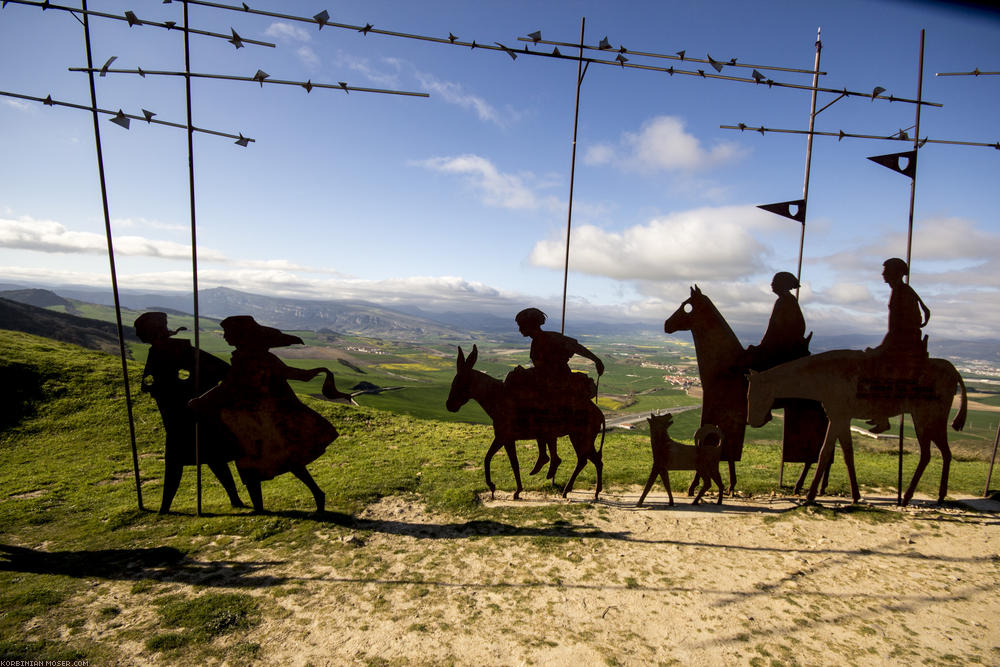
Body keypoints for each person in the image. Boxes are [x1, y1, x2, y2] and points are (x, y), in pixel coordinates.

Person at [189, 315, 350, 515]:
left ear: (240, 335)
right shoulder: (255, 357)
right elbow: (286, 374)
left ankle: (263, 507)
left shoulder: (248, 359)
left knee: (251, 461)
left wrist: (201, 401)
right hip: (256, 418)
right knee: (285, 460)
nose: (224, 337)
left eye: (227, 333)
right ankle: (311, 495)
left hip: (254, 421)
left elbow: (228, 386)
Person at [134, 311, 245, 514]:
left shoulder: (181, 350)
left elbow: (222, 370)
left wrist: (199, 390)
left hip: (194, 413)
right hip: (175, 415)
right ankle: (166, 508)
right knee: (197, 458)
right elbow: (150, 381)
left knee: (208, 457)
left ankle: (233, 499)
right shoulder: (157, 352)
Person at [866, 257, 932, 433]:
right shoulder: (900, 291)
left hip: (904, 345)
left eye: (886, 270)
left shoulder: (903, 292)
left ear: (895, 273)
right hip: (900, 342)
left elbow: (899, 328)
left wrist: (881, 349)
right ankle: (879, 413)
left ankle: (883, 416)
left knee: (877, 370)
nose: (883, 274)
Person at [745, 271, 809, 371]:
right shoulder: (788, 300)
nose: (772, 284)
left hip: (781, 350)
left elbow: (774, 329)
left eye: (774, 281)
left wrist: (762, 347)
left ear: (782, 284)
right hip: (782, 347)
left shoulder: (785, 301)